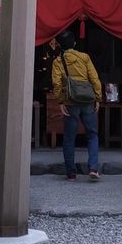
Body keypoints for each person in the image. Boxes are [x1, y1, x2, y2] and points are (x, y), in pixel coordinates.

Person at [51, 30, 102, 181]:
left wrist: (60, 101)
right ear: (74, 43)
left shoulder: (58, 61)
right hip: (87, 101)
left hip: (70, 101)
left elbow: (57, 83)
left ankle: (71, 173)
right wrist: (97, 98)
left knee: (69, 138)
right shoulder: (84, 57)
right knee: (92, 135)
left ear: (60, 46)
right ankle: (93, 168)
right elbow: (94, 78)